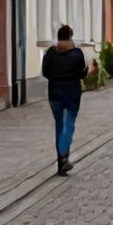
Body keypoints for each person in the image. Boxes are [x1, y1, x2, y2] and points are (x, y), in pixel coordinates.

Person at [40, 24, 89, 175]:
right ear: (70, 37)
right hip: (72, 94)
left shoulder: (50, 53)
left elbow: (45, 72)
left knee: (60, 125)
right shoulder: (76, 53)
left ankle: (62, 161)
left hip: (55, 93)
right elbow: (83, 72)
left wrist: (56, 78)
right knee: (68, 126)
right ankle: (64, 160)